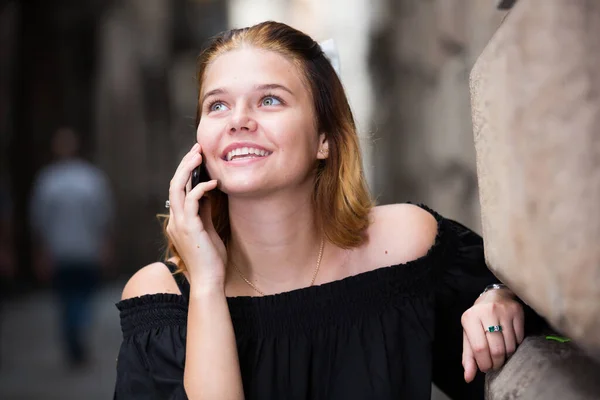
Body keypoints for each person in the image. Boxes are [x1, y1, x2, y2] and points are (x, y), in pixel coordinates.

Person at [114, 21, 540, 399]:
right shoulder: (161, 300)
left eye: (270, 101)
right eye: (217, 105)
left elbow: (567, 334)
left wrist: (500, 298)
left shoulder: (406, 247)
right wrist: (206, 284)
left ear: (325, 139)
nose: (238, 120)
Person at [30, 127, 114, 367]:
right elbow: (103, 217)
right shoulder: (91, 179)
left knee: (68, 299)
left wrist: (41, 252)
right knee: (82, 297)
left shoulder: (47, 180)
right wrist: (105, 246)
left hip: (61, 251)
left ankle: (73, 337)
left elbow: (38, 221)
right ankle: (78, 334)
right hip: (85, 250)